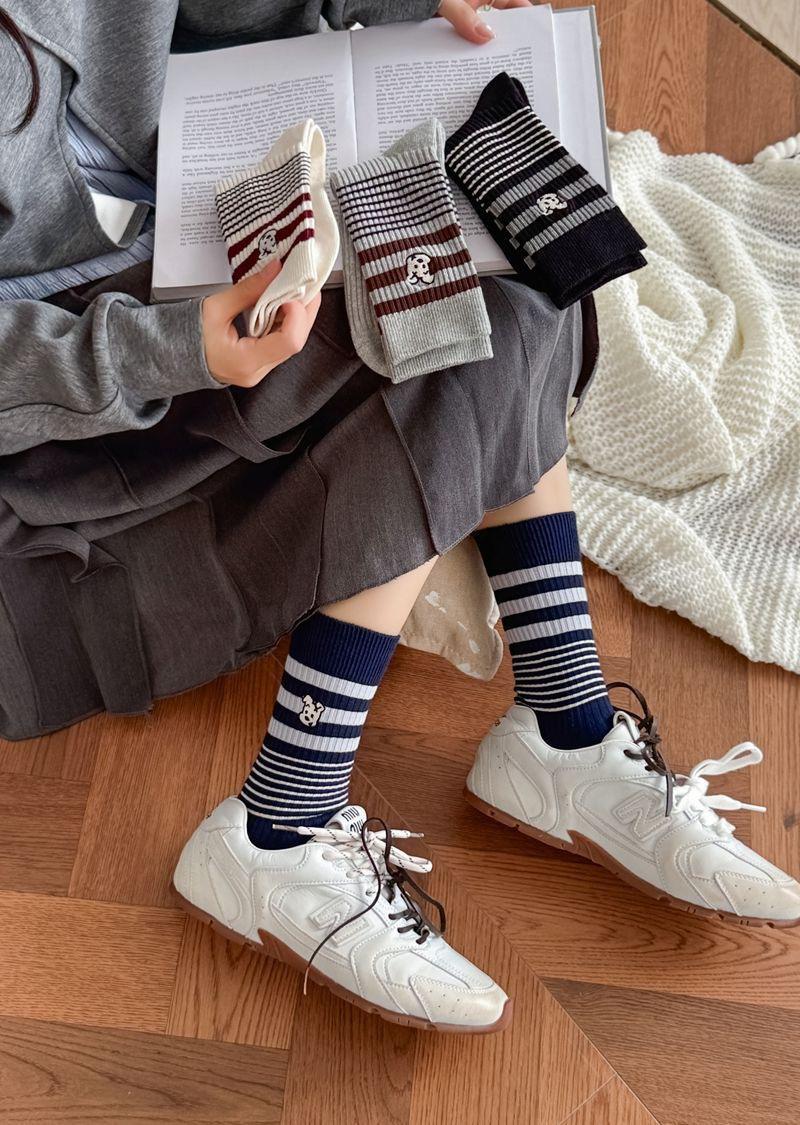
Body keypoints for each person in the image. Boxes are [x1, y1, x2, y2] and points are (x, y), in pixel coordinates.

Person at [1, 0, 798, 1037]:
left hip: (200, 239)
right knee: (434, 315)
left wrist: (406, 11)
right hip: (57, 413)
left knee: (505, 261)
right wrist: (168, 350)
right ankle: (281, 827)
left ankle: (560, 726)